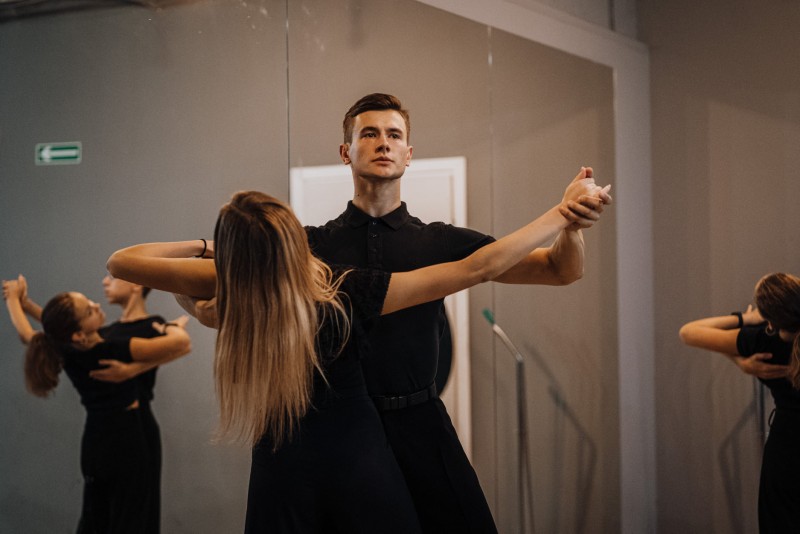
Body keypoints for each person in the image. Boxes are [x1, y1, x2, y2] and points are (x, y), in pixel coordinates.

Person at [105, 179, 607, 532]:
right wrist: (561, 213)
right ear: (293, 241)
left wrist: (209, 246)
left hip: (283, 457)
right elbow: (478, 268)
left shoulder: (238, 289)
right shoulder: (346, 291)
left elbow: (123, 261)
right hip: (355, 453)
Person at [301, 92, 612, 532]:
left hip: (420, 425)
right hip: (341, 427)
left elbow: (561, 270)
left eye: (394, 135)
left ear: (409, 154)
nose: (383, 143)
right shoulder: (312, 245)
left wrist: (573, 226)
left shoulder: (439, 241)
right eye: (369, 134)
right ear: (345, 151)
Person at [2, 274, 191, 534]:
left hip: (97, 439)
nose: (98, 298)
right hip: (127, 438)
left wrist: (17, 301)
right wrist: (171, 327)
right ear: (79, 333)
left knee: (96, 517)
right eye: (89, 309)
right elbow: (182, 343)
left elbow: (40, 331)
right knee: (130, 517)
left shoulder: (73, 346)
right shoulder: (111, 344)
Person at [679, 272, 800, 533]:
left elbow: (688, 332)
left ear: (770, 320)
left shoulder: (763, 342)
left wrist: (745, 321)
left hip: (786, 449)